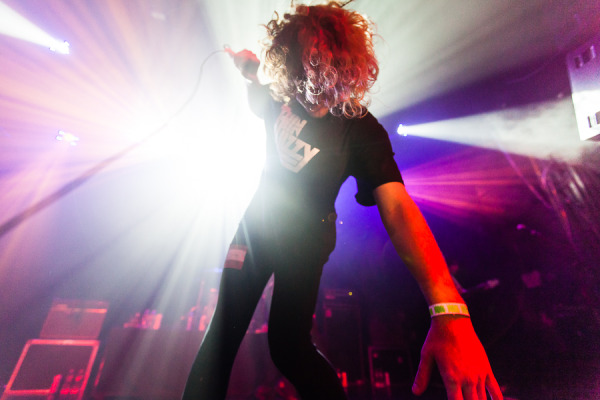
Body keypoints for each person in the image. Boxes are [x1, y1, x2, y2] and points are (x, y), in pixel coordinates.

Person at [183, 2, 503, 399]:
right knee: (221, 338)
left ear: (344, 64)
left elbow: (398, 208)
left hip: (306, 241)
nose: (315, 67)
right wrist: (249, 73)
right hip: (257, 227)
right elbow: (258, 99)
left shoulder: (360, 130)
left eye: (324, 58)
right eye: (307, 56)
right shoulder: (281, 99)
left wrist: (448, 309)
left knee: (288, 348)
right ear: (293, 60)